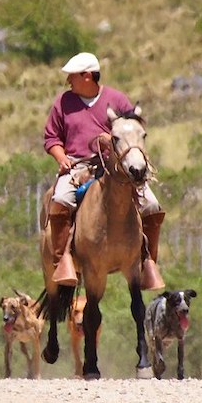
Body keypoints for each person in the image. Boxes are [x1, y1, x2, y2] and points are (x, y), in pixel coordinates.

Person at [42, 51, 165, 290]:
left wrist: (113, 142)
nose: (69, 81)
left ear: (88, 76)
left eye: (73, 76)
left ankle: (148, 261)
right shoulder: (63, 103)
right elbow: (51, 137)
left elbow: (132, 130)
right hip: (78, 164)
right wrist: (61, 157)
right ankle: (62, 259)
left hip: (117, 167)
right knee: (60, 199)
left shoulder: (117, 99)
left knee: (151, 205)